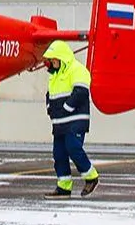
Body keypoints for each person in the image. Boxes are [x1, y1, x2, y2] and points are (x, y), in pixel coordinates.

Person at [42, 40, 99, 199]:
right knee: (59, 153)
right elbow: (49, 95)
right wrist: (50, 109)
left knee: (73, 147)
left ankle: (91, 177)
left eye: (54, 59)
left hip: (75, 120)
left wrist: (66, 108)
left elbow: (81, 92)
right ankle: (63, 187)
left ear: (62, 58)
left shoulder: (77, 70)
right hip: (59, 122)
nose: (52, 63)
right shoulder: (54, 76)